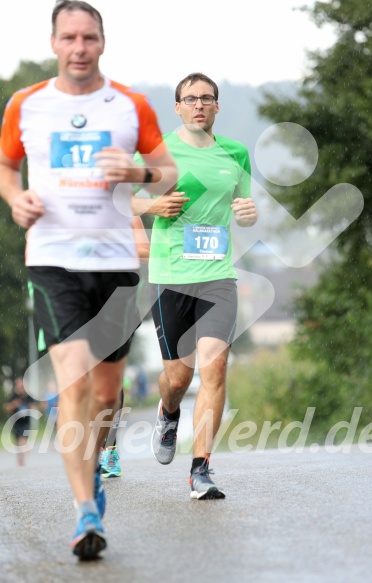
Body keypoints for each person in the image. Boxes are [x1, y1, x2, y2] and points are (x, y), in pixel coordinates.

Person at [0, 0, 178, 559]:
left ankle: (93, 472)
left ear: (102, 43)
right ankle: (85, 513)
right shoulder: (25, 105)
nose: (79, 48)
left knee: (105, 394)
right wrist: (14, 199)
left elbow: (167, 169)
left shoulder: (131, 105)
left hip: (117, 264)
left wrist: (139, 173)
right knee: (74, 382)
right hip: (53, 258)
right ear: (55, 43)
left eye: (89, 38)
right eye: (69, 37)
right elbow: (6, 166)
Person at [134, 72, 258, 500]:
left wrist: (248, 214)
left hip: (219, 275)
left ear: (217, 107)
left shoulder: (236, 153)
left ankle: (200, 470)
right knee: (177, 377)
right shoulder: (160, 150)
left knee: (215, 366)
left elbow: (245, 210)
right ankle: (168, 413)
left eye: (207, 98)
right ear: (178, 107)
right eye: (191, 99)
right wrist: (152, 204)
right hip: (172, 277)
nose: (199, 105)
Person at [99, 215, 150, 479]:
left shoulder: (126, 210)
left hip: (119, 304)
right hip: (81, 302)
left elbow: (146, 250)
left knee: (112, 381)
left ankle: (109, 449)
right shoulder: (74, 204)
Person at [3, 377, 39, 466]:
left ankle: (22, 458)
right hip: (17, 422)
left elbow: (36, 407)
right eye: (20, 386)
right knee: (19, 441)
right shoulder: (14, 396)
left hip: (26, 422)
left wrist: (32, 407)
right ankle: (21, 457)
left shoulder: (28, 396)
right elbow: (6, 407)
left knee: (24, 441)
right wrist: (14, 404)